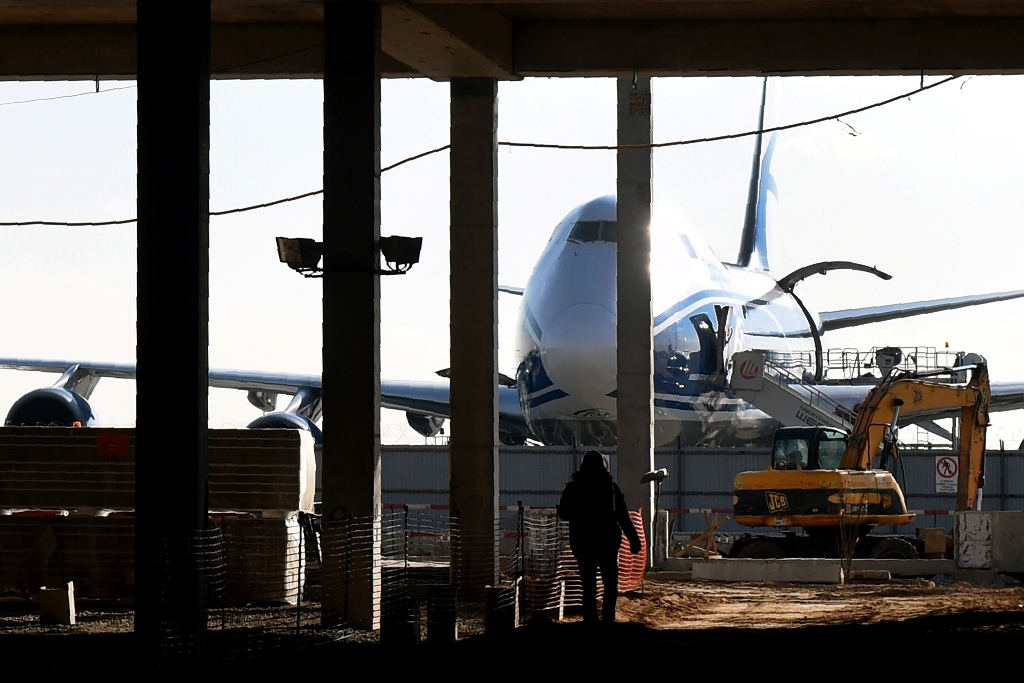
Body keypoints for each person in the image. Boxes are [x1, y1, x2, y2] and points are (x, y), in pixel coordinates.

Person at [557, 450, 642, 623]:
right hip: (607, 542)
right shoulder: (611, 489)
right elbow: (623, 517)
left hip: (583, 542)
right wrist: (634, 541)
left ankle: (591, 619)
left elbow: (564, 514)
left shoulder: (573, 488)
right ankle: (608, 619)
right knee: (610, 583)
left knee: (588, 584)